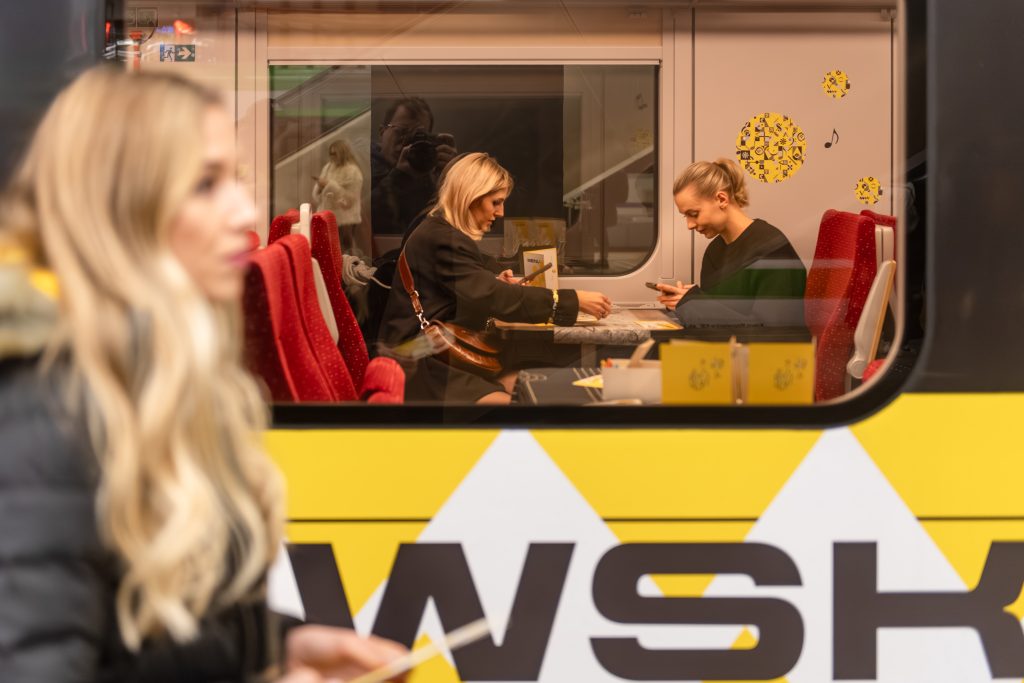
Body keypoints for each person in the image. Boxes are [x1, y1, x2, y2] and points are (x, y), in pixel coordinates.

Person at [0, 67, 406, 682]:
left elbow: (149, 634)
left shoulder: (154, 382)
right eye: (205, 184)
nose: (244, 210)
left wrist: (279, 650)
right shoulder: (42, 417)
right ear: (116, 208)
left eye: (234, 181)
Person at [379, 152, 612, 404]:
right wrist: (571, 301)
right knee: (527, 402)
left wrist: (491, 280)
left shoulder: (440, 230)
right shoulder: (443, 239)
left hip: (432, 350)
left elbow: (474, 288)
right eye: (496, 202)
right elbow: (492, 297)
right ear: (471, 196)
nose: (501, 212)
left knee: (526, 379)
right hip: (419, 360)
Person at [654, 158, 807, 330]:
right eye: (686, 216)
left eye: (694, 214)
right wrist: (685, 301)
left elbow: (771, 331)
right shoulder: (715, 250)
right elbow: (720, 318)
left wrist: (693, 304)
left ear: (721, 199)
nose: (689, 225)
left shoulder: (771, 250)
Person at [370, 97, 457, 239]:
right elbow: (368, 220)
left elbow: (446, 228)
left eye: (416, 136)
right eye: (401, 131)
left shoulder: (427, 174)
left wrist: (451, 179)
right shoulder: (362, 167)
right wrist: (399, 178)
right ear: (382, 131)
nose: (406, 142)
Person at [312, 138, 364, 254]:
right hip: (327, 217)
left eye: (334, 153)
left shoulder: (353, 171)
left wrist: (329, 185)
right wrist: (320, 187)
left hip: (345, 219)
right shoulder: (328, 167)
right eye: (330, 153)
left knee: (345, 250)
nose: (332, 156)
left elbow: (350, 199)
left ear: (342, 153)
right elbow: (319, 196)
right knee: (328, 250)